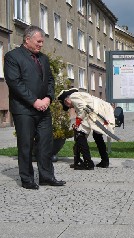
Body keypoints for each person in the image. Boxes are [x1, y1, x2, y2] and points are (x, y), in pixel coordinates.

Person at [4, 25, 66, 189]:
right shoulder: (12, 57)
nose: (40, 44)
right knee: (26, 145)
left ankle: (46, 176)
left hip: (44, 109)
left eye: (42, 42)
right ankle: (27, 179)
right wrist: (34, 101)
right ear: (27, 39)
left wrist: (48, 98)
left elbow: (50, 81)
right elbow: (15, 83)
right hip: (23, 109)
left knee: (46, 144)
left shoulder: (43, 59)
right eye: (38, 41)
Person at [57, 88, 115, 170]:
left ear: (66, 101)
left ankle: (88, 163)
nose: (70, 108)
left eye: (68, 106)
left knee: (79, 134)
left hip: (95, 112)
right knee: (97, 136)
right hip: (101, 110)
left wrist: (77, 122)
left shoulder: (73, 97)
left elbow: (83, 108)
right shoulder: (79, 96)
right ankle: (105, 161)